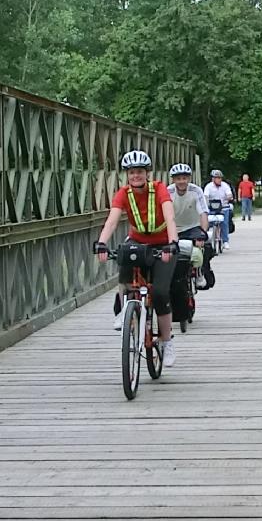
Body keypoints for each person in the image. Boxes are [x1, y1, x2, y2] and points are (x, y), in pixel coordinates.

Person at [96, 149, 181, 366]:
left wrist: (173, 243)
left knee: (160, 292)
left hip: (163, 243)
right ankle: (126, 308)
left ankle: (166, 340)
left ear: (147, 173)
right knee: (124, 259)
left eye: (140, 172)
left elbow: (169, 216)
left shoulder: (159, 189)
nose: (136, 176)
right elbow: (112, 221)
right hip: (138, 241)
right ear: (127, 174)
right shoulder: (123, 193)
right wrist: (102, 243)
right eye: (132, 172)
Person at [165, 163, 211, 310]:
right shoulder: (168, 192)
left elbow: (203, 212)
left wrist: (203, 234)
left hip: (192, 227)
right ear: (173, 180)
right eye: (178, 178)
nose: (181, 181)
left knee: (201, 249)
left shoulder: (196, 191)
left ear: (189, 178)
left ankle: (199, 272)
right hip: (174, 228)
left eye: (184, 178)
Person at [203, 169, 235, 249]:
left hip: (223, 207)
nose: (219, 179)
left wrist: (227, 198)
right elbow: (205, 196)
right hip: (212, 208)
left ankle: (225, 241)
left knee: (224, 223)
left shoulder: (225, 185)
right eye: (217, 178)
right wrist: (206, 203)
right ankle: (207, 238)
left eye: (220, 178)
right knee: (207, 222)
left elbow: (229, 195)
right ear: (213, 179)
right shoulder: (208, 186)